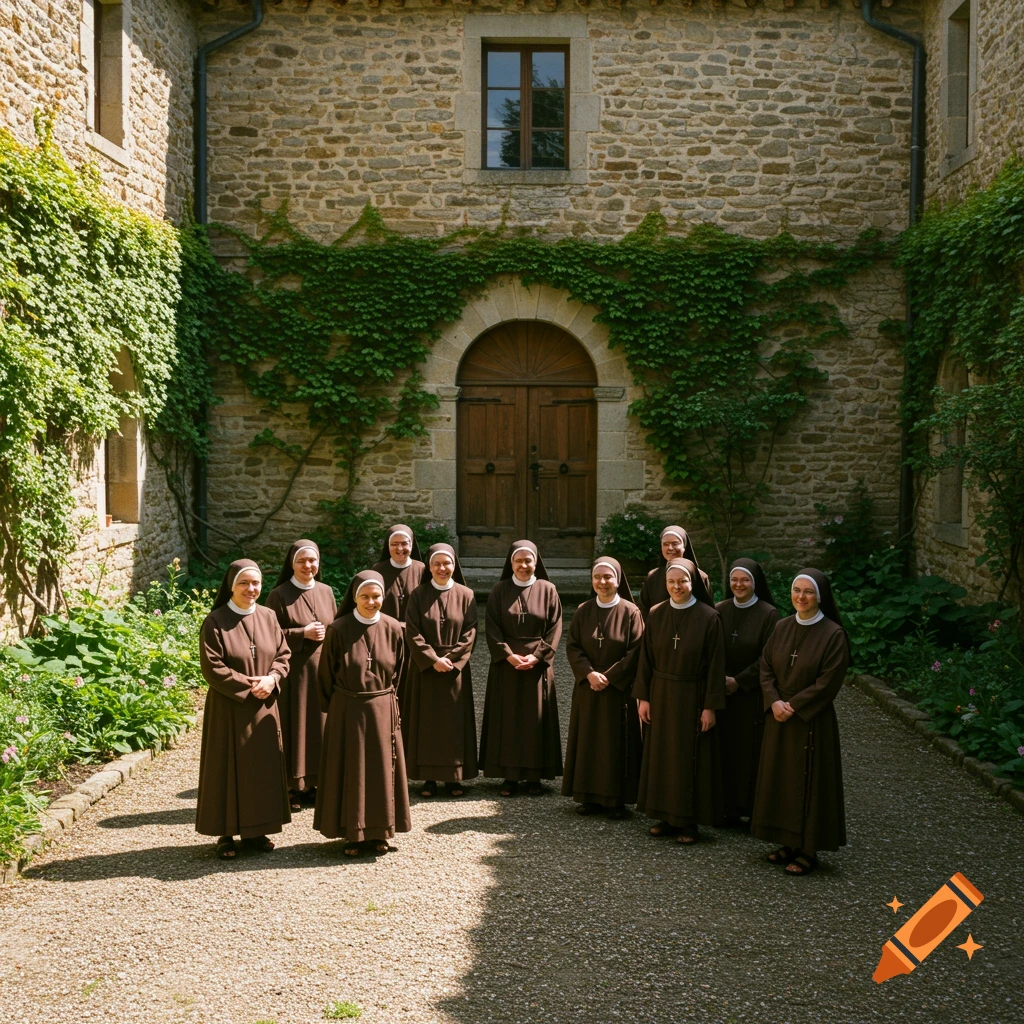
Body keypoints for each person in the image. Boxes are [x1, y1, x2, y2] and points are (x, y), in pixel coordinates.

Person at [751, 568, 849, 876]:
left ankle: (808, 849)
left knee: (809, 782)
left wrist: (793, 705)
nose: (801, 597)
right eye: (797, 591)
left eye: (808, 592)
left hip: (811, 719)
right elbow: (765, 666)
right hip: (779, 715)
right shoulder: (781, 627)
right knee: (780, 778)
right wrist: (773, 700)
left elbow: (829, 681)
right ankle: (786, 840)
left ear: (819, 597)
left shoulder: (833, 634)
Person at [196, 558, 291, 860]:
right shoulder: (215, 621)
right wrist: (249, 685)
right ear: (231, 586)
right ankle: (225, 834)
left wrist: (273, 678)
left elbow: (283, 654)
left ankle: (256, 830)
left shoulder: (268, 616)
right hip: (229, 707)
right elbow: (212, 667)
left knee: (260, 768)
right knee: (226, 767)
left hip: (264, 705)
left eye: (256, 584)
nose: (251, 589)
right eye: (244, 584)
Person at [314, 570, 411, 857]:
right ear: (354, 597)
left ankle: (380, 832)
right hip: (348, 708)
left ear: (384, 597)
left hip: (382, 707)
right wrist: (337, 709)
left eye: (377, 596)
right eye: (365, 596)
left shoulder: (394, 628)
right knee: (352, 769)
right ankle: (352, 833)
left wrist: (390, 704)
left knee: (381, 770)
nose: (371, 601)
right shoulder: (338, 629)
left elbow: (399, 673)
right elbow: (325, 674)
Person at [633, 558, 725, 844]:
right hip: (661, 693)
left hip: (692, 696)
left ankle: (688, 822)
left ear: (693, 582)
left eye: (682, 581)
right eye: (671, 582)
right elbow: (646, 659)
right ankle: (662, 814)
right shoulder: (657, 613)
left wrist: (709, 705)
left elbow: (715, 665)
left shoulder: (709, 617)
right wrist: (643, 698)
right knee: (662, 754)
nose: (677, 587)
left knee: (689, 756)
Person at [479, 539, 563, 796]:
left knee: (535, 719)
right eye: (519, 561)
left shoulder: (548, 589)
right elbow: (491, 627)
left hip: (537, 667)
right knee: (509, 718)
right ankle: (509, 776)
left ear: (536, 562)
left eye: (528, 561)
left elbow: (555, 627)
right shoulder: (499, 590)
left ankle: (535, 775)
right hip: (507, 666)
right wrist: (508, 655)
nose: (524, 565)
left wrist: (538, 656)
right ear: (511, 563)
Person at [562, 556, 644, 818]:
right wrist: (588, 674)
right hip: (589, 687)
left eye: (608, 577)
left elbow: (636, 651)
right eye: (597, 577)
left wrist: (608, 676)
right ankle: (588, 796)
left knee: (615, 742)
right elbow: (573, 645)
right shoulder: (584, 609)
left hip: (618, 689)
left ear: (618, 580)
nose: (602, 582)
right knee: (588, 740)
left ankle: (616, 799)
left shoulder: (631, 612)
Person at [403, 543, 479, 798]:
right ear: (429, 567)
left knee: (453, 724)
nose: (442, 568)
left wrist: (452, 659)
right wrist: (432, 659)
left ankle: (454, 778)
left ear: (454, 565)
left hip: (454, 671)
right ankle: (429, 779)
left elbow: (470, 632)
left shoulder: (466, 594)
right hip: (426, 670)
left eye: (447, 563)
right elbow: (412, 632)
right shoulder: (418, 594)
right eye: (436, 563)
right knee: (427, 723)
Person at [266, 539, 337, 811]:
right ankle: (291, 786)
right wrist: (301, 634)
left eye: (312, 561)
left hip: (321, 670)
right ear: (291, 564)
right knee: (295, 726)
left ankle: (314, 783)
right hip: (293, 672)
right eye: (301, 561)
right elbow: (268, 635)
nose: (308, 566)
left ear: (318, 563)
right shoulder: (279, 595)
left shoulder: (327, 591)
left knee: (318, 727)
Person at [715, 558, 780, 826]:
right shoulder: (719, 609)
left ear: (755, 583)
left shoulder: (769, 614)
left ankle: (749, 808)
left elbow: (769, 658)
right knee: (722, 749)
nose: (738, 585)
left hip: (750, 693)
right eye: (734, 580)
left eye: (745, 580)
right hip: (720, 689)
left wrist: (739, 681)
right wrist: (720, 679)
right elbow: (711, 650)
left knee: (747, 750)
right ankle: (722, 806)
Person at [369, 523, 428, 720]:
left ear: (412, 545)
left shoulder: (423, 570)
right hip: (386, 641)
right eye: (395, 544)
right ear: (387, 546)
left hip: (418, 642)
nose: (400, 549)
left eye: (405, 543)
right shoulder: (377, 571)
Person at [637, 525, 714, 618]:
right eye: (665, 544)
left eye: (675, 543)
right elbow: (643, 611)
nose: (670, 548)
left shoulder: (700, 577)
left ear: (684, 546)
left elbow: (708, 613)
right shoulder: (653, 576)